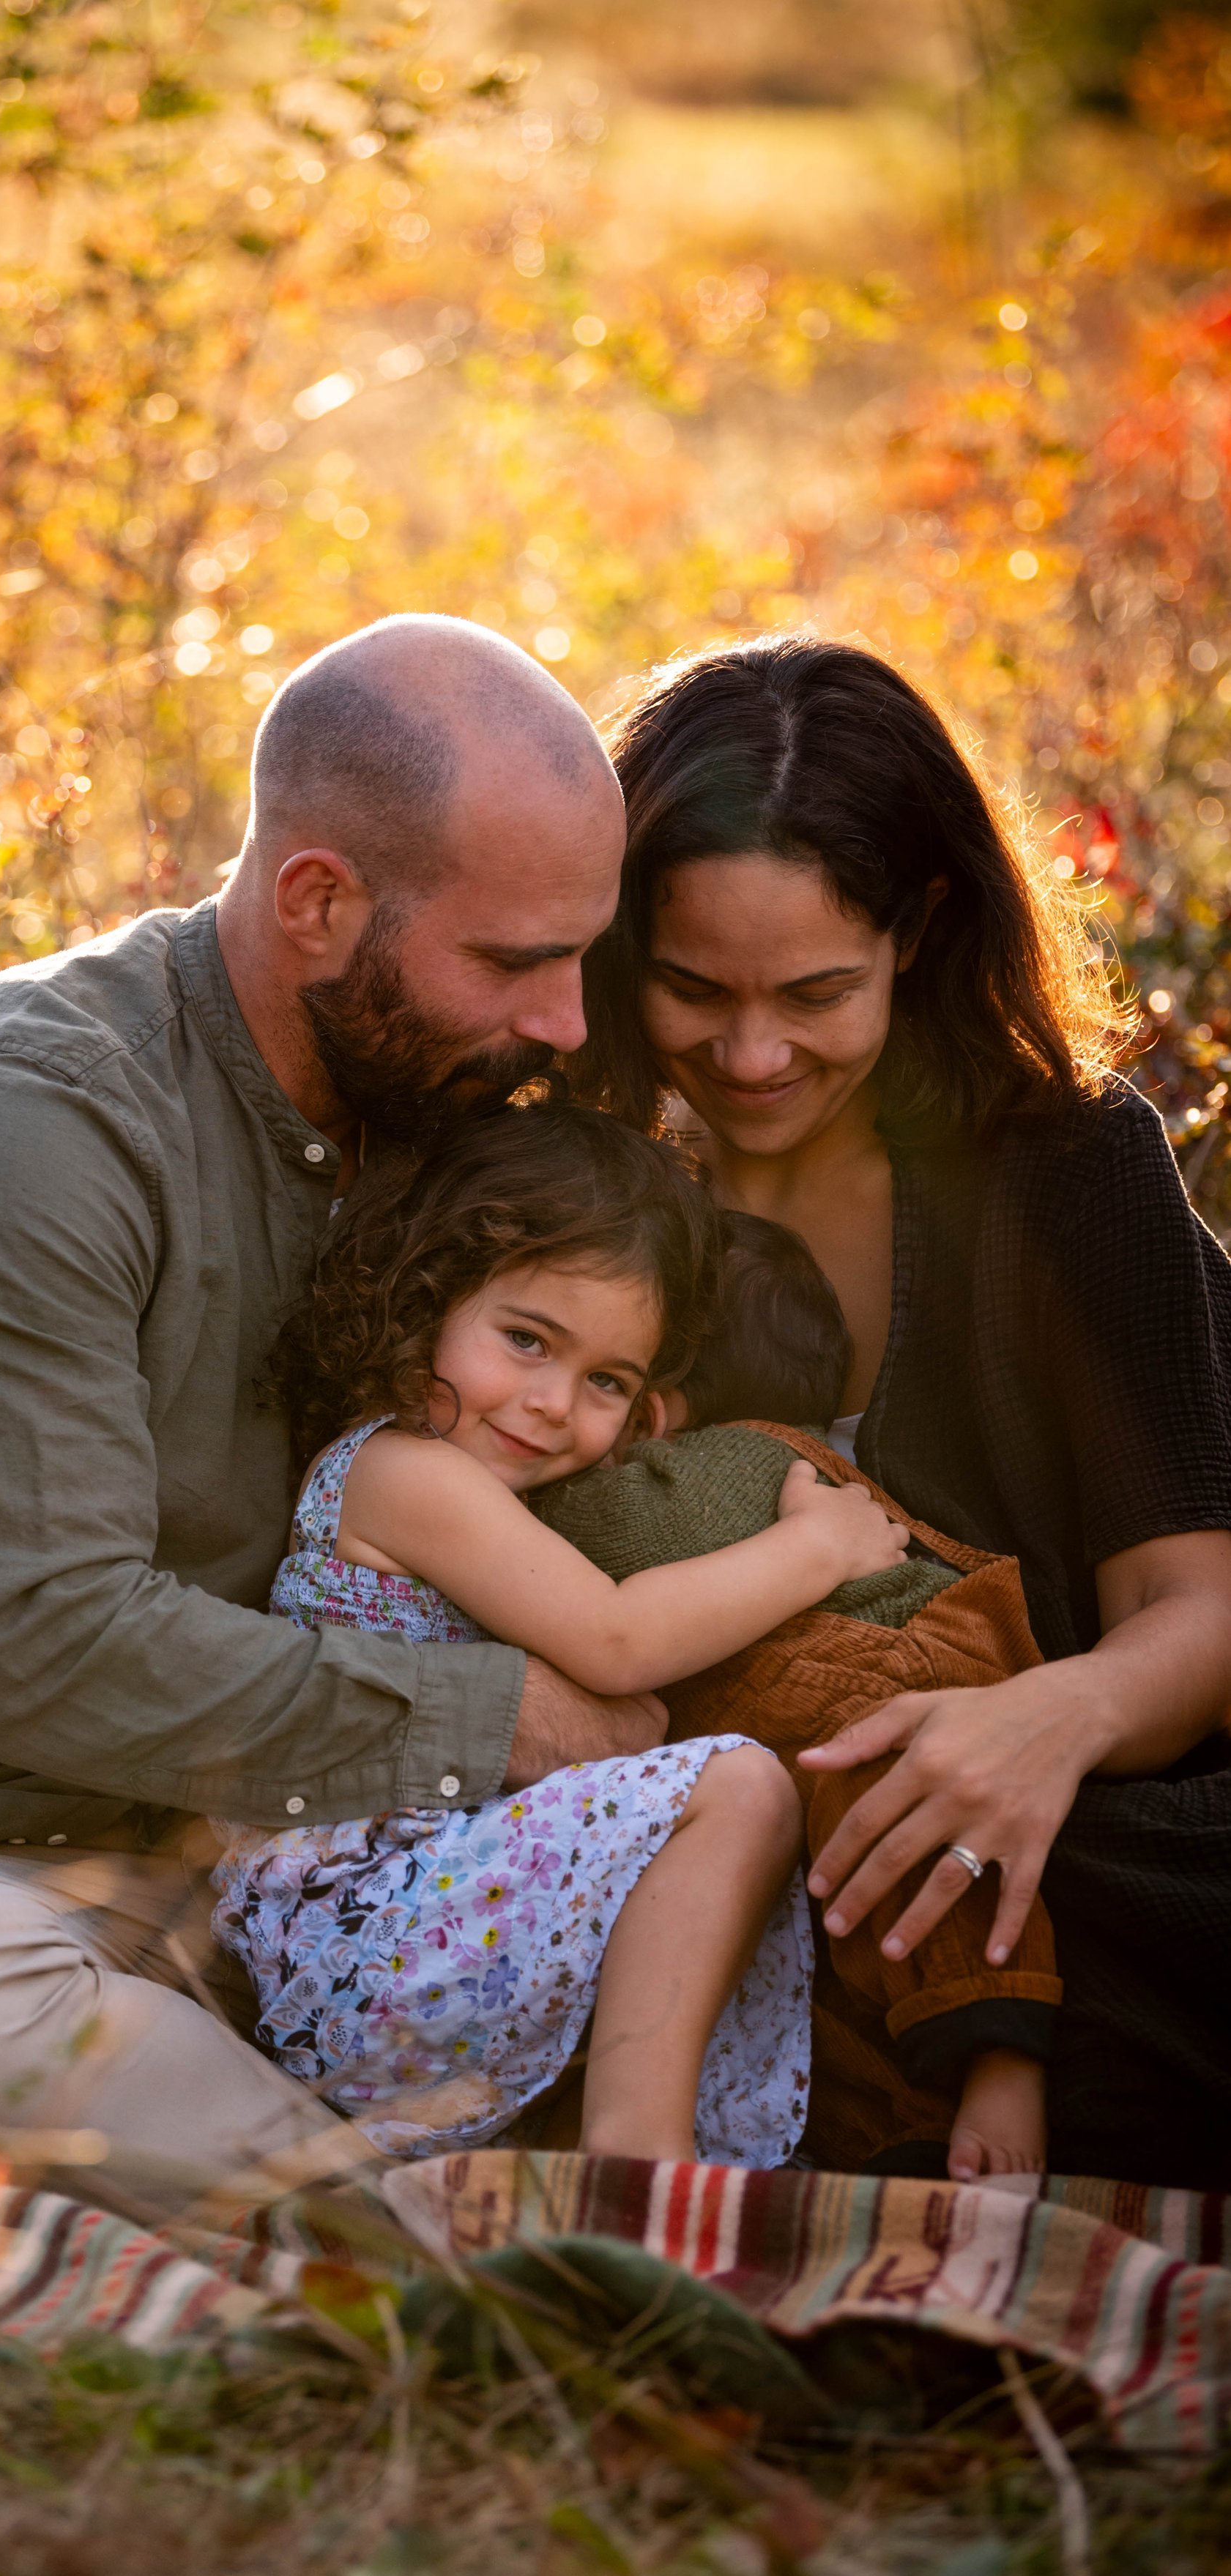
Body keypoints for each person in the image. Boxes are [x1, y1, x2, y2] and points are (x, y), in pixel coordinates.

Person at [0, 615, 668, 2213]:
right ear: (316, 902)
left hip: (266, 1877)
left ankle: (416, 2200)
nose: (563, 1019)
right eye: (509, 961)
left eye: (580, 954)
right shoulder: (20, 1121)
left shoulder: (438, 1115)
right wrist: (506, 1722)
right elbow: (51, 1649)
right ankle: (395, 2248)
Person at [581, 633, 1231, 2185]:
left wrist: (1034, 1726)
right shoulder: (577, 1186)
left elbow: (1193, 1612)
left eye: (814, 994)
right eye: (690, 988)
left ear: (921, 932)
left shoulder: (1063, 1167)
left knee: (1025, 1889)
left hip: (1077, 1824)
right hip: (708, 1823)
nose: (748, 1055)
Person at [214, 1099, 908, 2167]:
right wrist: (816, 1548)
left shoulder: (489, 1481)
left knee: (702, 1799)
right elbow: (619, 1642)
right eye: (526, 1340)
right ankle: (640, 2159)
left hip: (412, 1931)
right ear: (428, 1295)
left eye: (607, 1383)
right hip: (359, 1945)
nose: (550, 1404)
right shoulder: (405, 1472)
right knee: (741, 1786)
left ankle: (609, 2139)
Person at [539, 1207, 1059, 2181]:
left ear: (657, 1408)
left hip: (876, 1665)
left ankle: (1000, 2049)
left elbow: (620, 1542)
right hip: (830, 1683)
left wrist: (518, 1496)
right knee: (830, 1941)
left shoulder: (735, 1460)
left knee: (907, 1827)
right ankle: (896, 2132)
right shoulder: (779, 1454)